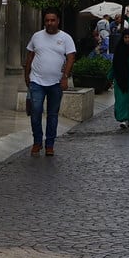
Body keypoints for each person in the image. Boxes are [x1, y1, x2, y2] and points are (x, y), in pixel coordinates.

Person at [24, 8, 76, 157]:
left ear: (58, 21)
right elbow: (30, 55)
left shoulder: (66, 38)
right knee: (36, 111)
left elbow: (71, 57)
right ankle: (37, 142)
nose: (49, 23)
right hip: (37, 81)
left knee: (52, 114)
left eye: (52, 20)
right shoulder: (37, 36)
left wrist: (65, 77)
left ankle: (49, 145)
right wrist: (26, 74)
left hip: (56, 83)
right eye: (47, 20)